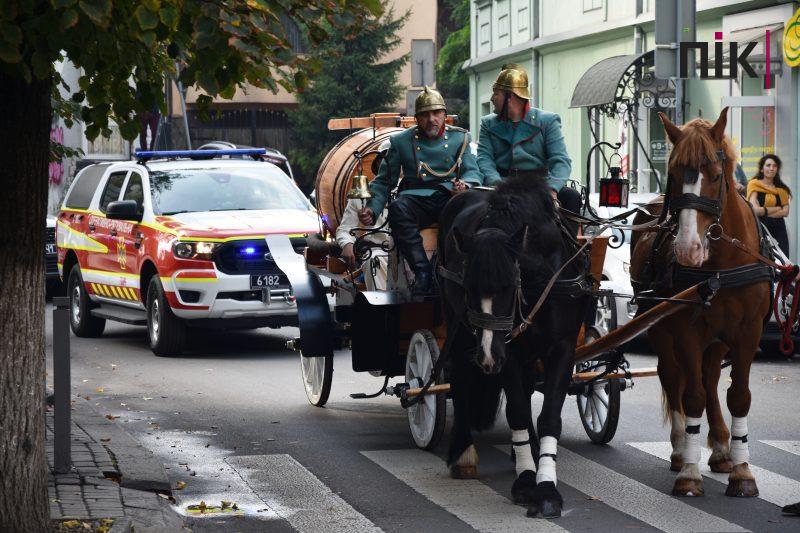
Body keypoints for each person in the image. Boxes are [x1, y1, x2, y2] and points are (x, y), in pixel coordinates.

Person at [358, 87, 482, 296]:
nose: (431, 119)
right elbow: (383, 181)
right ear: (416, 119)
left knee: (470, 213)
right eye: (424, 114)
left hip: (448, 197)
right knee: (398, 208)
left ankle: (462, 271)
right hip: (416, 199)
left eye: (436, 113)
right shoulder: (401, 141)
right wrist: (372, 209)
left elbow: (473, 171)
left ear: (444, 115)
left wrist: (466, 185)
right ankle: (422, 272)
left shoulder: (460, 138)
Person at [477, 64, 582, 214]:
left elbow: (560, 161)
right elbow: (484, 159)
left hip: (540, 186)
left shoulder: (547, 121)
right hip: (501, 185)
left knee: (572, 197)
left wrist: (552, 190)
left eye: (496, 93)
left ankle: (568, 238)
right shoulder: (488, 124)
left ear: (509, 97)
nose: (492, 98)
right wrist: (496, 184)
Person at [337, 199, 390, 290]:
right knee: (373, 261)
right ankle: (380, 301)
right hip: (377, 253)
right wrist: (347, 243)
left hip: (411, 249)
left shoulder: (410, 187)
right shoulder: (359, 197)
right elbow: (346, 229)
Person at [747, 154, 791, 256]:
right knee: (763, 258)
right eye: (768, 165)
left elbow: (786, 212)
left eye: (774, 166)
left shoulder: (782, 189)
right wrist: (777, 208)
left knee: (783, 258)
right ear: (762, 169)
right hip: (761, 227)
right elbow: (755, 210)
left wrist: (764, 211)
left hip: (779, 228)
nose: (771, 168)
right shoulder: (754, 184)